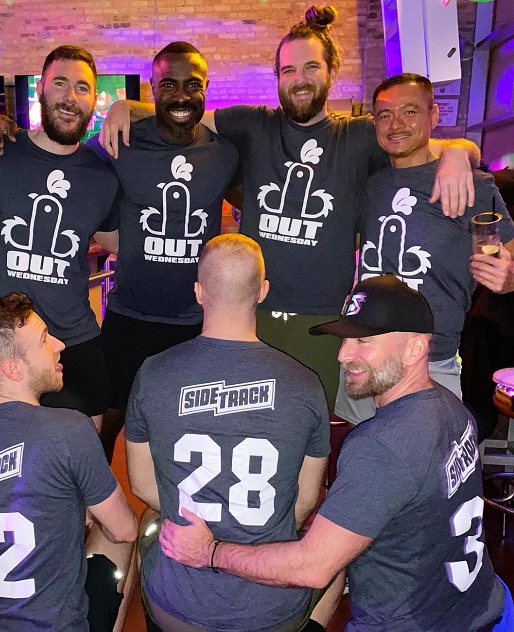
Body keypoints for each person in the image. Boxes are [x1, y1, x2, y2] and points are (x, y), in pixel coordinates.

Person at [100, 6, 479, 412]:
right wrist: (125, 108)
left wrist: (459, 151)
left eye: (311, 67)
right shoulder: (252, 124)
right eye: (288, 70)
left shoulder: (360, 135)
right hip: (250, 314)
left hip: (323, 323)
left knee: (313, 426)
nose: (299, 79)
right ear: (278, 77)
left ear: (331, 72)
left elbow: (416, 142)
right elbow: (184, 112)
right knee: (244, 422)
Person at [160, 274, 505, 632]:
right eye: (344, 339)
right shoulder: (451, 408)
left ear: (414, 349)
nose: (343, 355)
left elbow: (312, 568)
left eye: (363, 341)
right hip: (476, 605)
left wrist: (209, 552)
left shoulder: (381, 446)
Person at [126, 234, 341, 632]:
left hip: (178, 609)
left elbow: (141, 485)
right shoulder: (306, 384)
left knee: (150, 525)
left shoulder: (152, 373)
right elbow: (304, 502)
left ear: (198, 292)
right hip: (270, 611)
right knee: (335, 568)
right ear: (262, 291)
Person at [0, 292, 137, 631]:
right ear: (13, 368)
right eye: (44, 339)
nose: (59, 345)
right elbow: (124, 530)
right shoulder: (71, 429)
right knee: (131, 533)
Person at [333, 73, 514, 424]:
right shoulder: (369, 185)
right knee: (360, 450)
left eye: (410, 111)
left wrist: (508, 278)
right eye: (385, 115)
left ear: (433, 115)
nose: (396, 124)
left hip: (430, 361)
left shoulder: (473, 186)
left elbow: (507, 256)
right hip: (363, 351)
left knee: (430, 454)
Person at [88, 41, 239, 460]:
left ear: (206, 88)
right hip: (130, 315)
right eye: (168, 84)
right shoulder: (120, 142)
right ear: (152, 89)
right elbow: (72, 169)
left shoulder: (225, 153)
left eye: (193, 85)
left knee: (189, 429)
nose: (181, 95)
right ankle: (95, 500)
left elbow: (255, 202)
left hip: (197, 320)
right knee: (106, 423)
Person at [0, 45, 118, 432]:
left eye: (82, 88)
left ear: (94, 99)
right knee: (11, 459)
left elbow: (117, 243)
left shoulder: (102, 176)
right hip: (3, 346)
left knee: (83, 456)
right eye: (60, 83)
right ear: (40, 88)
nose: (70, 97)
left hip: (74, 343)